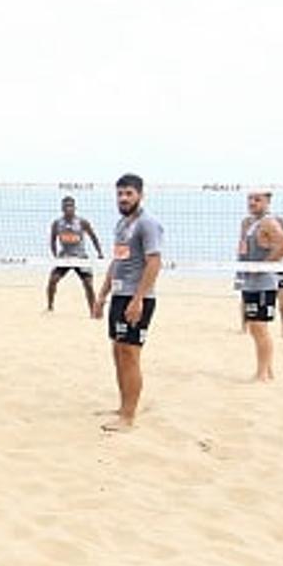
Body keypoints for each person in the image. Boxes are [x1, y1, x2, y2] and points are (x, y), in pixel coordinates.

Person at [92, 173, 163, 432]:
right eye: (120, 193)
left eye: (128, 193)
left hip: (137, 297)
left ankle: (129, 418)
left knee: (131, 354)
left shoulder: (148, 224)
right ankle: (123, 407)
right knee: (118, 351)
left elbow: (155, 262)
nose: (123, 198)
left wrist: (139, 298)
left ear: (140, 195)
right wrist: (102, 295)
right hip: (120, 296)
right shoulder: (122, 225)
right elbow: (117, 262)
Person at [235, 191, 283, 382]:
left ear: (267, 202)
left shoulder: (269, 222)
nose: (252, 202)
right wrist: (240, 275)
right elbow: (243, 250)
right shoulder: (248, 222)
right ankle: (268, 370)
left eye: (257, 199)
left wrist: (264, 265)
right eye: (250, 199)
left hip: (264, 282)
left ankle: (262, 374)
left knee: (260, 328)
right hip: (249, 280)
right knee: (255, 327)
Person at [46, 195, 105, 313]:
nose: (68, 208)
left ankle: (93, 310)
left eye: (70, 206)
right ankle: (50, 306)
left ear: (74, 207)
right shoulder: (57, 223)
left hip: (81, 257)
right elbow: (52, 240)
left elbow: (93, 237)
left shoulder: (82, 222)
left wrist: (99, 252)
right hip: (65, 257)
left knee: (88, 284)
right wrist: (55, 255)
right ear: (62, 208)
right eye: (66, 206)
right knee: (53, 280)